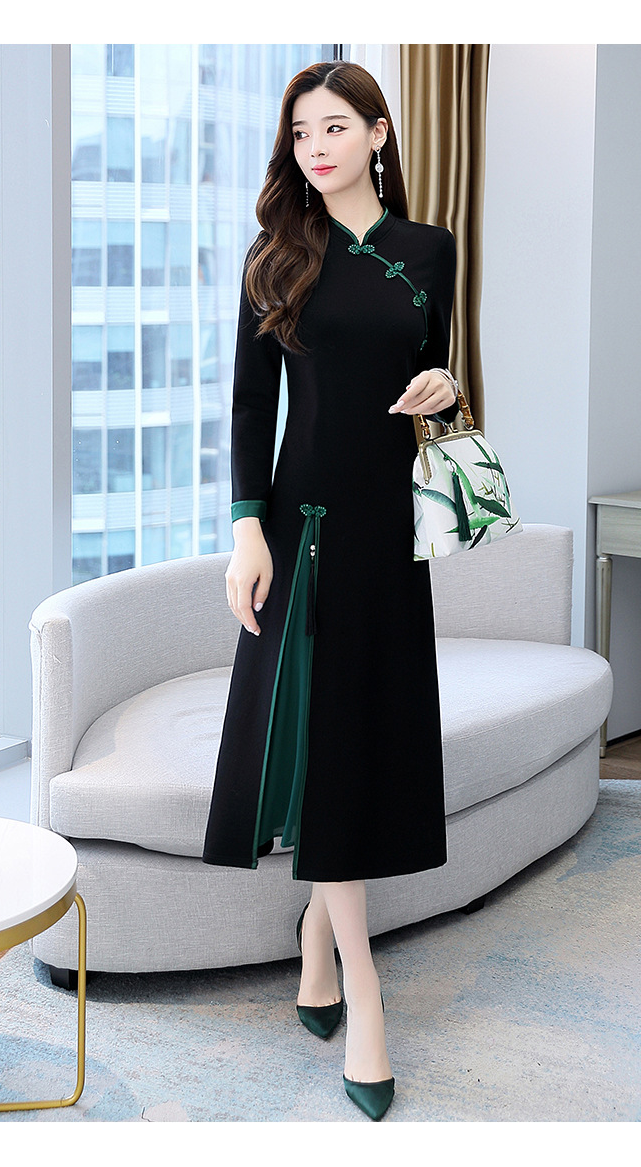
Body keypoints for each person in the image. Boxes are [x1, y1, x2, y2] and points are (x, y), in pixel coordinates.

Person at [202, 59, 460, 1121]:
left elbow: (435, 383)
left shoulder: (429, 249)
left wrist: (446, 388)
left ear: (379, 134)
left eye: (336, 126)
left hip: (388, 535)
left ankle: (314, 931)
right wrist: (244, 532)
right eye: (301, 132)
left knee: (359, 743)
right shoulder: (277, 253)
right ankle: (367, 995)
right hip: (301, 532)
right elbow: (248, 406)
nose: (315, 146)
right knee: (322, 744)